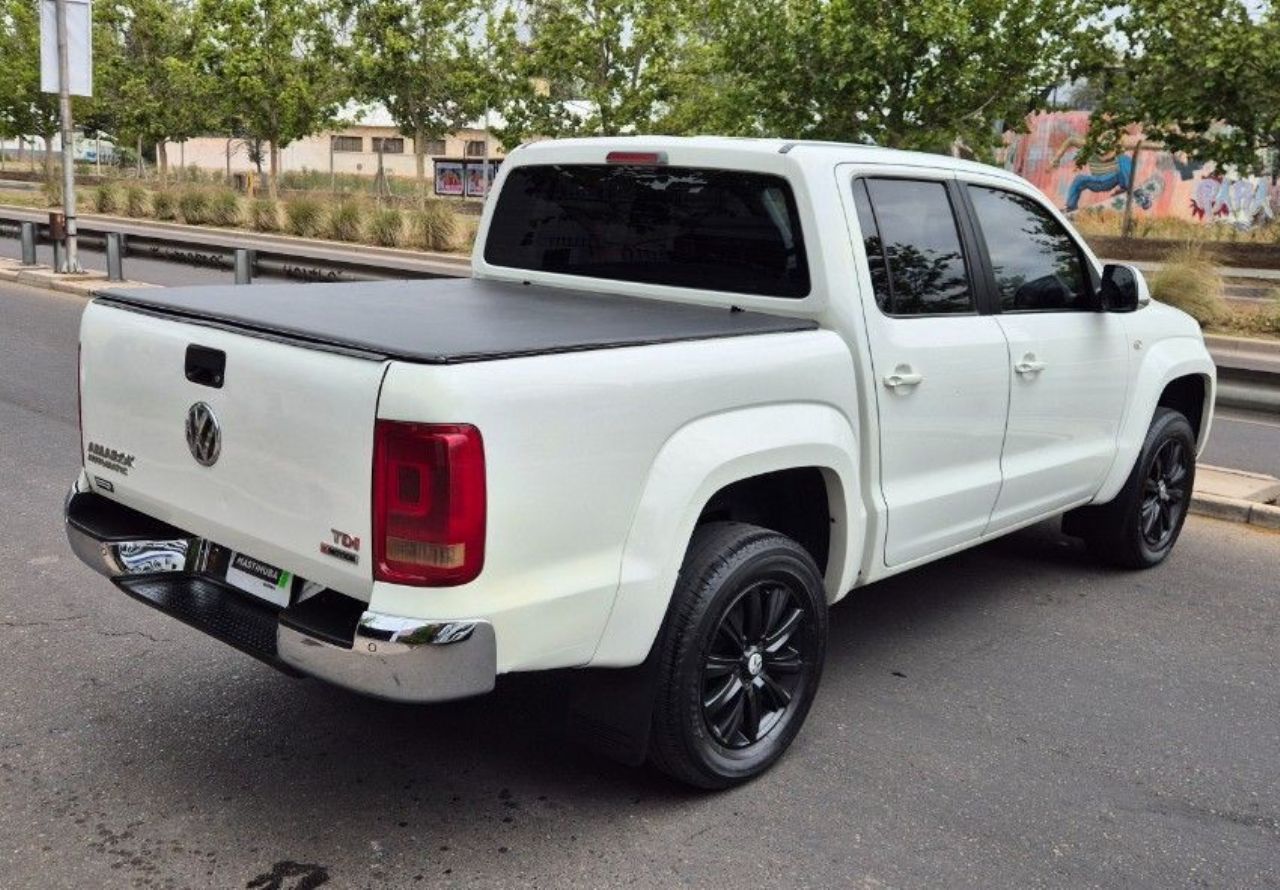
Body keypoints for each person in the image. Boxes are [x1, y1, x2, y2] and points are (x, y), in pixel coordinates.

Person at [1051, 134, 1160, 212]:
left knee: (1123, 159)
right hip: (1098, 182)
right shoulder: (1090, 144)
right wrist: (1056, 159)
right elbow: (1071, 140)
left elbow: (1145, 145)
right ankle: (1071, 207)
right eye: (1101, 149)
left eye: (1108, 149)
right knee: (1079, 179)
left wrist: (1169, 147)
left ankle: (1137, 192)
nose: (1104, 154)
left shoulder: (1119, 146)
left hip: (1114, 178)